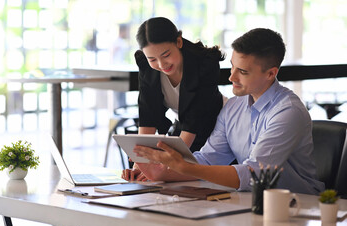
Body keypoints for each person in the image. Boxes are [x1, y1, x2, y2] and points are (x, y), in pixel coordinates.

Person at [132, 28, 325, 195]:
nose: (231, 77)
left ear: (271, 74)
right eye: (232, 66)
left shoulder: (288, 112)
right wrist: (160, 171)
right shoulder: (233, 107)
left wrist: (184, 167)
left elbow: (254, 174)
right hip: (251, 201)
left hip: (300, 206)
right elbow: (207, 159)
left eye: (243, 71)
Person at [122, 17, 227, 181]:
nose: (162, 64)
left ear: (178, 42)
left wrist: (163, 167)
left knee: (190, 175)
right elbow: (148, 116)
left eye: (166, 55)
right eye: (153, 59)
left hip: (217, 125)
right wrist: (140, 165)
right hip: (184, 125)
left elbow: (194, 121)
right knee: (163, 177)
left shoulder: (205, 64)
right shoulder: (147, 67)